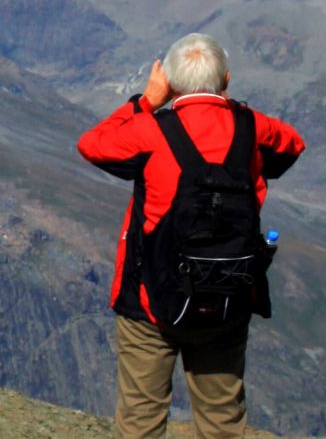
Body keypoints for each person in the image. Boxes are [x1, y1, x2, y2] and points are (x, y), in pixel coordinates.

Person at [77, 33, 304, 439]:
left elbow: (92, 145)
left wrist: (146, 100)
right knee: (222, 420)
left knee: (140, 420)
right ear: (227, 80)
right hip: (227, 298)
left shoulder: (150, 131)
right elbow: (293, 144)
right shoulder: (254, 128)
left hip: (149, 304)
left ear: (173, 84)